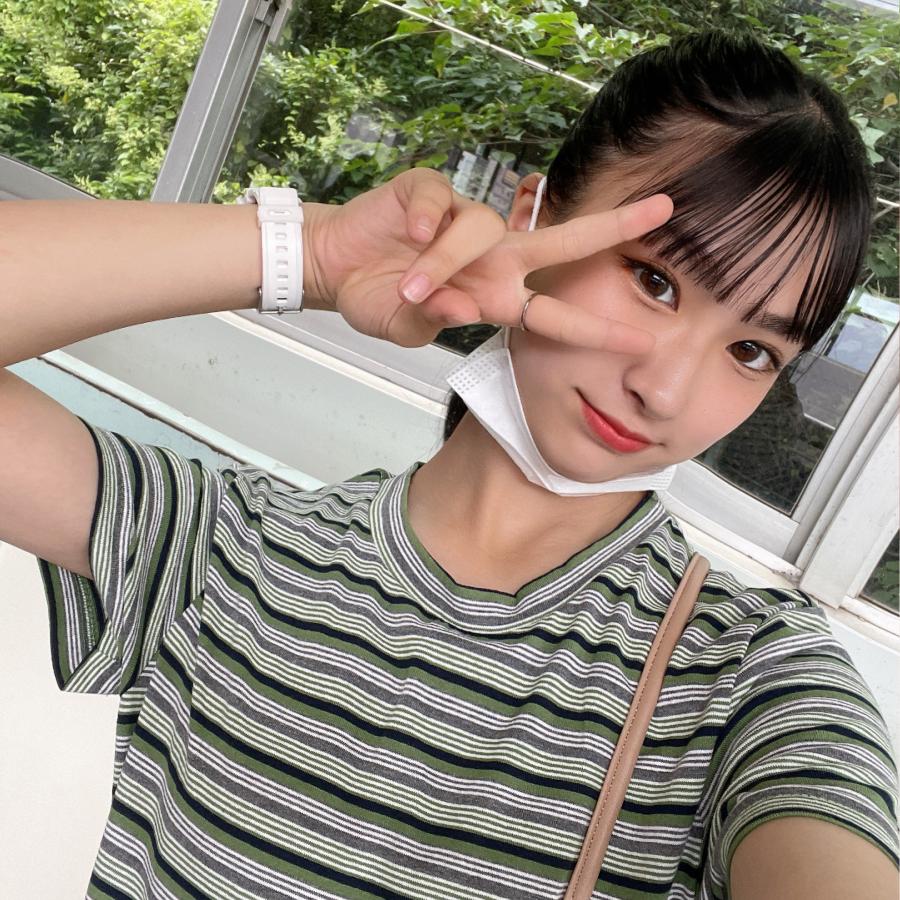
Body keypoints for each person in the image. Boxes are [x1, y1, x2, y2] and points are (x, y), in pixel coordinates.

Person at [1, 27, 896, 900]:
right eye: (654, 280)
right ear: (532, 218)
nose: (664, 391)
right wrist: (308, 256)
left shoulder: (747, 681)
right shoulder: (226, 546)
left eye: (750, 352)